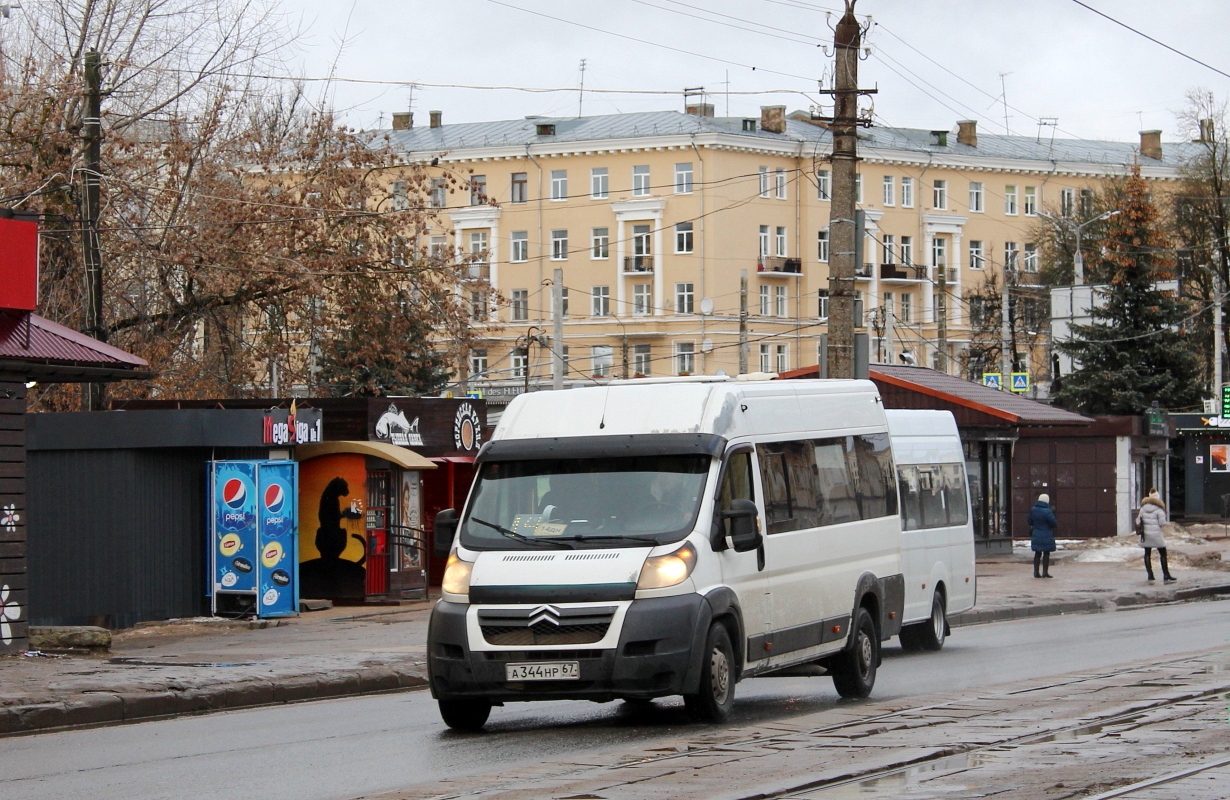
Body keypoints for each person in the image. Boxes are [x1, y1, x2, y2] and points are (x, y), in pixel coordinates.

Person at [1137, 488, 1175, 583]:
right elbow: (1162, 523)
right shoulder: (1159, 510)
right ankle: (1166, 574)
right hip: (1156, 534)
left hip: (1146, 534)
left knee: (1147, 553)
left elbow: (1138, 520)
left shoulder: (1143, 509)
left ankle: (1150, 575)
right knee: (1163, 553)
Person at [1028, 493, 1057, 578]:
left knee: (1037, 553)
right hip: (1046, 534)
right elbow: (1054, 523)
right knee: (1046, 553)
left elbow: (1029, 521)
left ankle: (1036, 572)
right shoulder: (1047, 511)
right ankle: (1045, 572)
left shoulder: (1033, 510)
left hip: (1036, 534)